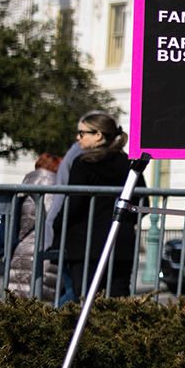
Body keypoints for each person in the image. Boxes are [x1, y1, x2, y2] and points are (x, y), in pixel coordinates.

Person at [56, 114, 135, 302]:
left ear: (98, 135)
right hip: (120, 244)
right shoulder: (129, 164)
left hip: (85, 246)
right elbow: (142, 203)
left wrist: (57, 227)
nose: (78, 137)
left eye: (82, 133)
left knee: (85, 303)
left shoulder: (83, 163)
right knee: (118, 306)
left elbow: (73, 206)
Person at [6, 151, 60, 297]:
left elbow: (26, 219)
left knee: (17, 297)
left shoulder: (27, 184)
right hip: (44, 247)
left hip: (23, 247)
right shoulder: (53, 184)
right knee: (40, 299)